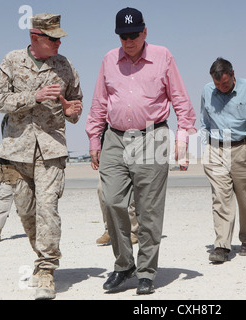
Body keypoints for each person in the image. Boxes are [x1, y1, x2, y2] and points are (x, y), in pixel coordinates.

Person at [85, 7, 196, 295]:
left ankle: (146, 271)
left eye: (133, 35)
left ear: (145, 32)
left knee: (149, 210)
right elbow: (99, 102)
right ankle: (124, 265)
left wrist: (182, 140)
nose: (128, 41)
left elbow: (182, 102)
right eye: (123, 36)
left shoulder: (163, 56)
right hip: (115, 138)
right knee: (111, 201)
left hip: (153, 136)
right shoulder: (109, 60)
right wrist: (94, 139)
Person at [0, 13, 83, 300]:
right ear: (35, 38)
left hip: (51, 150)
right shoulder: (11, 61)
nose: (58, 43)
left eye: (59, 38)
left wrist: (72, 112)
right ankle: (41, 257)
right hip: (16, 151)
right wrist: (35, 96)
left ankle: (46, 269)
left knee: (47, 209)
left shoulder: (65, 66)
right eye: (52, 38)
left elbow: (75, 105)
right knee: (27, 212)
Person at [200, 57, 246, 263]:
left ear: (233, 74)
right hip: (216, 149)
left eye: (225, 84)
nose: (221, 88)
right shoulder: (207, 91)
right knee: (221, 198)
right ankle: (222, 246)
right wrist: (204, 145)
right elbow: (204, 121)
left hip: (244, 149)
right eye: (217, 85)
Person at [95, 125, 138, 245]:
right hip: (110, 149)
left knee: (134, 192)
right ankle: (110, 229)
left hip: (135, 145)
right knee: (102, 189)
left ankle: (134, 231)